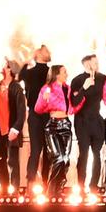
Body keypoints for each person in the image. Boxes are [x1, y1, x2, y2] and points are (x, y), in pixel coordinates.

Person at [35, 62, 77, 193]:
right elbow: (38, 109)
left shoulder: (68, 88)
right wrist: (44, 99)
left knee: (65, 159)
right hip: (53, 125)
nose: (66, 74)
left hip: (66, 124)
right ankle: (51, 190)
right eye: (64, 72)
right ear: (57, 74)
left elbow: (73, 108)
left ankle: (59, 189)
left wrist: (79, 97)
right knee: (57, 157)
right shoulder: (47, 88)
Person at [71, 55, 106, 191]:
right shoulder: (77, 80)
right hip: (82, 121)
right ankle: (81, 186)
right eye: (94, 62)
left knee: (97, 153)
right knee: (84, 153)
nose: (97, 64)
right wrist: (84, 87)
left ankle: (94, 185)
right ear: (87, 64)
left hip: (97, 120)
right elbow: (74, 102)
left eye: (98, 61)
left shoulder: (103, 78)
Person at [21, 45, 54, 187]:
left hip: (48, 114)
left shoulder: (51, 72)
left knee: (47, 150)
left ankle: (45, 182)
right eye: (46, 50)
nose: (49, 52)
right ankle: (31, 182)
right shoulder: (30, 72)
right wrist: (29, 60)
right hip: (35, 114)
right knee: (36, 149)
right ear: (39, 54)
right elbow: (20, 76)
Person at [0, 58, 30, 190]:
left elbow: (21, 111)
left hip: (11, 130)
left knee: (12, 161)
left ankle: (14, 190)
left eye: (5, 66)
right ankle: (4, 188)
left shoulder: (16, 88)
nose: (2, 68)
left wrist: (15, 129)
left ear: (11, 70)